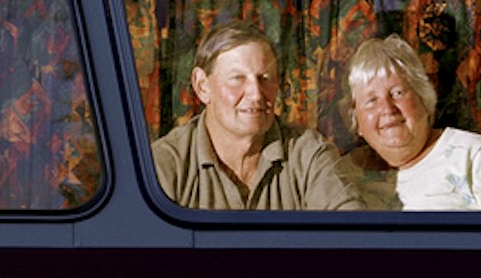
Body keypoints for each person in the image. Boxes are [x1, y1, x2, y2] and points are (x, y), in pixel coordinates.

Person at [151, 23, 360, 211]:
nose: (256, 94)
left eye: (265, 78)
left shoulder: (308, 153)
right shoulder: (165, 164)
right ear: (202, 86)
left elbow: (352, 236)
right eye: (237, 79)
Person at [345, 34, 481, 210]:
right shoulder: (338, 175)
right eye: (371, 100)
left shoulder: (476, 158)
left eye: (398, 93)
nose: (387, 109)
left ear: (423, 99)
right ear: (357, 122)